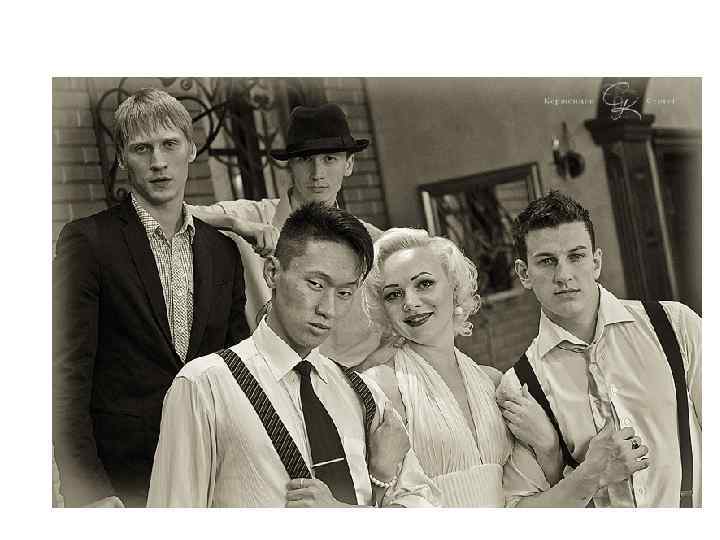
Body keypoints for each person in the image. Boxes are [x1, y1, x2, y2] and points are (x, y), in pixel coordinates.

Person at [147, 202, 439, 507]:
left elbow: (425, 506)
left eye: (344, 293)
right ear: (272, 272)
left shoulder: (364, 394)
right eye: (315, 284)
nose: (328, 308)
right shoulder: (205, 387)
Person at [52, 88, 250, 508]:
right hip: (124, 480)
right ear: (122, 158)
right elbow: (66, 375)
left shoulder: (222, 251)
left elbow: (235, 371)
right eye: (142, 149)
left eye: (169, 144)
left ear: (191, 150)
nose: (158, 161)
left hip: (213, 470)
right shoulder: (88, 242)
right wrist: (87, 490)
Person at [498, 190, 701, 507]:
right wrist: (586, 472)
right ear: (524, 274)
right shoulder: (520, 386)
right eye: (547, 261)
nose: (564, 275)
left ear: (596, 262)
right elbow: (519, 512)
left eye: (576, 256)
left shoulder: (676, 326)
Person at [189, 103, 382, 366]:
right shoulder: (252, 218)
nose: (317, 174)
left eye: (329, 159)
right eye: (305, 159)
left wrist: (363, 372)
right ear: (290, 165)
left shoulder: (372, 242)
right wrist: (234, 223)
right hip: (265, 376)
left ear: (348, 164)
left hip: (344, 378)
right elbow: (165, 214)